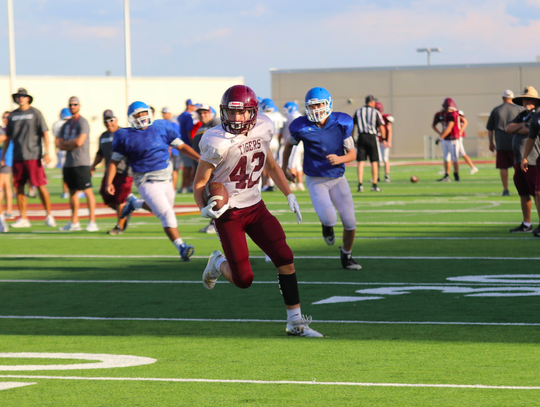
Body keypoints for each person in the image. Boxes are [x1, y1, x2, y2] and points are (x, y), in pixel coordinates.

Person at [194, 85, 322, 337]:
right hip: (228, 213)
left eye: (242, 113)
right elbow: (199, 182)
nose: (237, 118)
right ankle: (217, 262)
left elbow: (271, 165)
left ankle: (295, 322)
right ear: (224, 112)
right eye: (231, 113)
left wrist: (289, 193)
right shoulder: (214, 140)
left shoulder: (263, 126)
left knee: (284, 256)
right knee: (243, 279)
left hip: (256, 207)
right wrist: (204, 209)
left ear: (254, 113)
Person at [282, 86, 362, 271]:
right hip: (316, 179)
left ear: (328, 104)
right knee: (329, 218)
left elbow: (352, 153)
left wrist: (340, 158)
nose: (316, 109)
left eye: (319, 105)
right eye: (312, 106)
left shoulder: (342, 123)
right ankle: (327, 226)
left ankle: (347, 254)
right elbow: (288, 146)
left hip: (337, 178)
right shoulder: (301, 126)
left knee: (350, 222)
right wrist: (284, 167)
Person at [108, 101, 200, 261]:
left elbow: (181, 146)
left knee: (162, 209)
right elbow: (114, 161)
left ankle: (134, 204)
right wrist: (109, 182)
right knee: (167, 214)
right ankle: (181, 247)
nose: (141, 117)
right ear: (131, 118)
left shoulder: (161, 126)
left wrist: (199, 158)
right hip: (146, 180)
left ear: (149, 113)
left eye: (143, 113)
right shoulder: (124, 135)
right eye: (137, 115)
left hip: (166, 179)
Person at [1, 88, 56, 229]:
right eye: (18, 96)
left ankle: (49, 214)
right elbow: (8, 137)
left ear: (28, 98)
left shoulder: (35, 113)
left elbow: (45, 133)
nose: (21, 98)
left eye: (23, 96)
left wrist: (47, 152)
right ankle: (23, 217)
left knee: (40, 186)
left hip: (33, 156)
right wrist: (3, 155)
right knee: (19, 188)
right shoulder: (12, 115)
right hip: (17, 157)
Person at [57, 96, 98, 232]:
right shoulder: (65, 125)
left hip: (81, 162)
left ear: (79, 106)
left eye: (75, 104)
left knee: (87, 192)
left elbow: (79, 142)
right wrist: (70, 144)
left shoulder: (83, 122)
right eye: (70, 104)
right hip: (69, 163)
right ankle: (74, 221)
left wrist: (67, 144)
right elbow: (59, 144)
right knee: (72, 192)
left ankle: (92, 221)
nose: (72, 106)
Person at [90, 109, 133, 235]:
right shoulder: (103, 136)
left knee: (120, 199)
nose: (109, 123)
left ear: (116, 120)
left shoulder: (125, 133)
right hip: (110, 172)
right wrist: (93, 166)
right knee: (106, 196)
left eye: (111, 120)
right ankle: (126, 211)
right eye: (106, 121)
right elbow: (100, 153)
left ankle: (119, 226)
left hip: (124, 171)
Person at [506, 87, 540, 234]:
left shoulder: (536, 115)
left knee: (537, 192)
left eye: (529, 99)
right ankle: (527, 224)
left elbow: (529, 131)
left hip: (533, 159)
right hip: (520, 159)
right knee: (523, 192)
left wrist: (519, 128)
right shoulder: (523, 115)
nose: (526, 101)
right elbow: (508, 128)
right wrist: (521, 126)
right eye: (525, 99)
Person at [190, 104, 222, 234]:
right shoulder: (201, 126)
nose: (202, 115)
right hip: (202, 165)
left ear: (211, 113)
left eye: (205, 112)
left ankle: (215, 224)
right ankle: (213, 223)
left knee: (214, 195)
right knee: (207, 195)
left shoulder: (216, 123)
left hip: (213, 166)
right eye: (200, 113)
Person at [487, 90, 524, 195]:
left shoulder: (496, 110)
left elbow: (490, 129)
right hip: (516, 141)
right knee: (517, 166)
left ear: (503, 98)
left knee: (503, 167)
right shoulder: (519, 109)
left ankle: (505, 189)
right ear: (512, 98)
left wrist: (491, 142)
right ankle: (521, 188)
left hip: (501, 141)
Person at [353, 95, 384, 192]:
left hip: (361, 137)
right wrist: (384, 138)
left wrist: (353, 138)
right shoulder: (375, 112)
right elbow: (382, 127)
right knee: (374, 161)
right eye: (374, 102)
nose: (375, 103)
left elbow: (353, 126)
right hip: (372, 137)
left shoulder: (358, 111)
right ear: (370, 102)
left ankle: (360, 184)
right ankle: (374, 184)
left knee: (361, 161)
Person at [432, 98, 462, 182]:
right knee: (446, 158)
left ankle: (456, 175)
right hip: (446, 138)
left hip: (453, 139)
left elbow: (449, 129)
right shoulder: (444, 114)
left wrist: (440, 137)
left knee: (454, 158)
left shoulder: (453, 114)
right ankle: (447, 175)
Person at [282, 101, 304, 191]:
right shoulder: (299, 115)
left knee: (291, 163)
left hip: (295, 143)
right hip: (301, 143)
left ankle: (292, 183)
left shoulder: (292, 116)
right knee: (298, 164)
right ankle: (300, 183)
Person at [177, 99, 198, 194]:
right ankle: (184, 186)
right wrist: (193, 143)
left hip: (182, 142)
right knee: (188, 167)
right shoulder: (188, 116)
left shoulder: (181, 115)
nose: (195, 108)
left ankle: (186, 185)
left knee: (187, 166)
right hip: (187, 144)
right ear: (189, 106)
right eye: (194, 106)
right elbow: (189, 131)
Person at [52, 107, 72, 198]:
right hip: (72, 149)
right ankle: (76, 191)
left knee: (65, 173)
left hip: (62, 150)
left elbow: (56, 140)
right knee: (74, 171)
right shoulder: (73, 123)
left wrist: (57, 150)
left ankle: (65, 192)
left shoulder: (57, 124)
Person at [374, 102, 393, 182]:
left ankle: (386, 175)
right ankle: (376, 176)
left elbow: (389, 129)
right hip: (376, 140)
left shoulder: (385, 118)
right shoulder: (373, 117)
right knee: (377, 159)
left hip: (383, 141)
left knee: (385, 158)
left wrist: (389, 141)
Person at [0, 111, 14, 221]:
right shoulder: (5, 130)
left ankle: (7, 211)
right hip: (4, 159)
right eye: (4, 117)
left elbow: (4, 138)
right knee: (6, 186)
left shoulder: (9, 131)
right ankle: (8, 210)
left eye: (7, 117)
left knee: (2, 186)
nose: (5, 119)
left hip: (5, 160)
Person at [457, 110, 479, 175]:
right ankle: (446, 169)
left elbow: (466, 122)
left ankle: (473, 167)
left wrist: (460, 132)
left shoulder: (461, 120)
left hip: (458, 138)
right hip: (455, 138)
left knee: (462, 153)